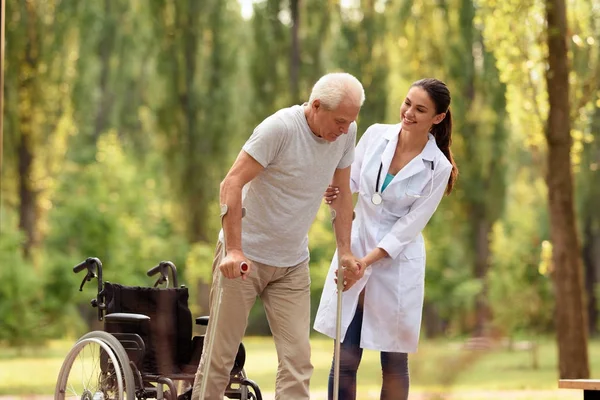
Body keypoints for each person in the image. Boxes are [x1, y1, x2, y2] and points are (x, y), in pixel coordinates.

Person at [191, 72, 366, 400]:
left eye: (350, 122)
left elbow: (341, 191)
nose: (345, 130)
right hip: (244, 260)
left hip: (292, 264)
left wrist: (345, 250)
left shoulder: (346, 132)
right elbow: (231, 183)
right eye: (340, 121)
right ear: (315, 106)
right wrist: (233, 250)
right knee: (220, 359)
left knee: (298, 362)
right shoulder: (280, 129)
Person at [313, 78, 459, 400]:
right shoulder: (375, 134)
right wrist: (332, 192)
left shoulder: (438, 167)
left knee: (393, 362)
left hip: (396, 265)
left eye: (420, 109)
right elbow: (346, 183)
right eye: (408, 103)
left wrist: (365, 262)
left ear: (437, 118)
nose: (408, 113)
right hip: (354, 247)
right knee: (345, 357)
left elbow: (409, 227)